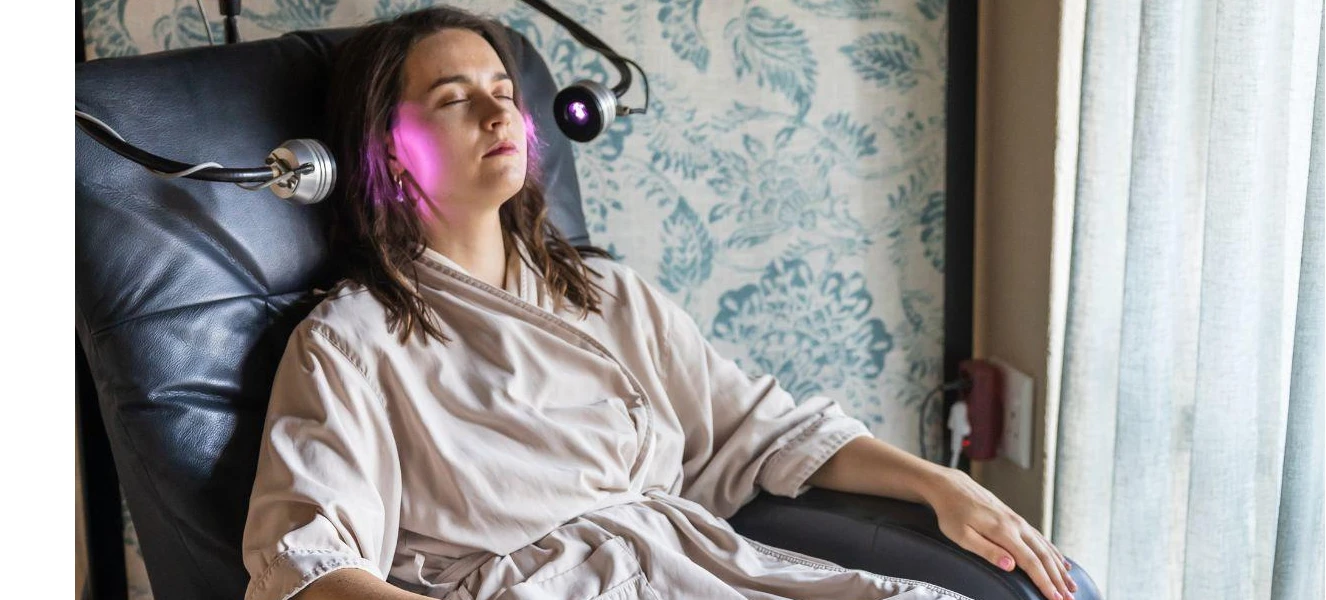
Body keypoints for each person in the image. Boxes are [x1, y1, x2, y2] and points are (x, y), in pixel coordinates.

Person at [241, 7, 1076, 600]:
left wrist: (945, 487)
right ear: (386, 151)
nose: (501, 108)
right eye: (456, 98)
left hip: (692, 567)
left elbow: (767, 428)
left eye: (503, 87)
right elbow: (308, 566)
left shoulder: (604, 294)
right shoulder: (349, 343)